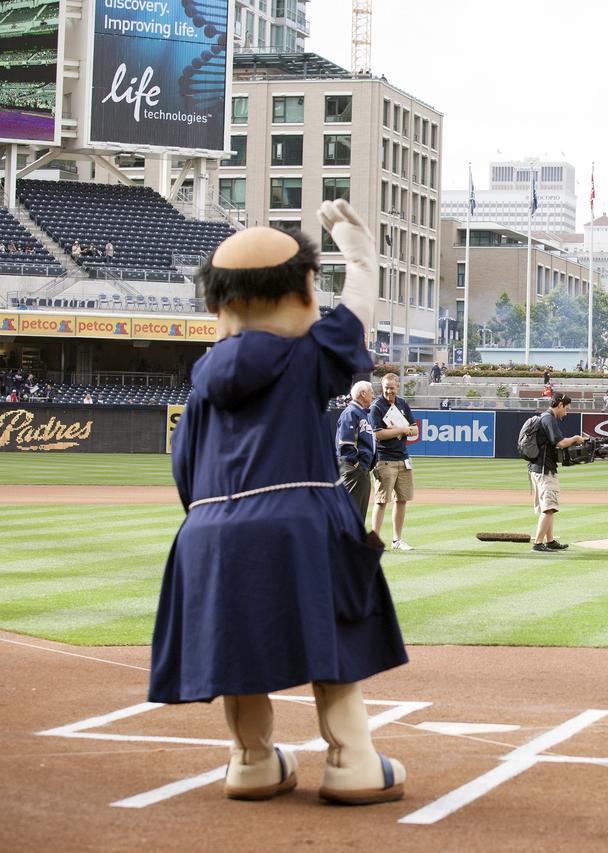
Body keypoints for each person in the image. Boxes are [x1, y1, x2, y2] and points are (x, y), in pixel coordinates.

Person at [148, 200, 409, 806]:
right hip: (298, 515)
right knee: (335, 636)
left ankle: (251, 760)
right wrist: (359, 251)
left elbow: (184, 473)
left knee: (236, 646)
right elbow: (358, 314)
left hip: (208, 528)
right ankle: (351, 762)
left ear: (219, 304)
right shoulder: (303, 353)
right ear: (299, 293)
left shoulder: (202, 381)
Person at [529, 391, 586, 552]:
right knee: (549, 508)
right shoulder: (549, 419)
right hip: (544, 469)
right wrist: (575, 438)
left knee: (549, 508)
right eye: (566, 408)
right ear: (559, 405)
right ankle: (538, 544)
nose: (566, 412)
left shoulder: (545, 417)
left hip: (539, 468)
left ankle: (550, 541)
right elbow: (560, 443)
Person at [370, 372, 418, 551]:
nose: (389, 391)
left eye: (392, 387)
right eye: (386, 388)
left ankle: (397, 540)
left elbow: (415, 431)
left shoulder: (402, 403)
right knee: (381, 501)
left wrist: (401, 429)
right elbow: (378, 434)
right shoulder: (377, 406)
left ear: (398, 386)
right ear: (382, 387)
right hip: (384, 460)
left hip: (403, 458)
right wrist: (402, 429)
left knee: (402, 500)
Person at [336, 380, 378, 521]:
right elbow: (345, 443)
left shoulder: (362, 413)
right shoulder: (351, 413)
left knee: (358, 515)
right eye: (371, 392)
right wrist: (356, 465)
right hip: (353, 469)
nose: (373, 395)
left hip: (362, 469)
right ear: (363, 394)